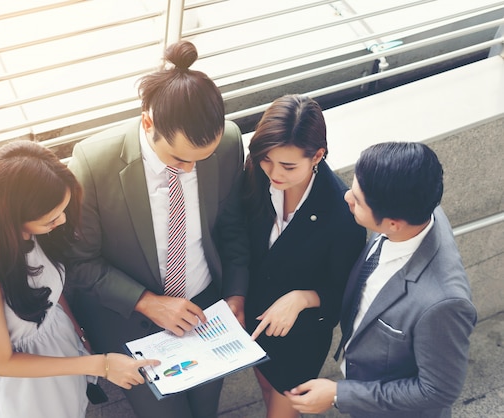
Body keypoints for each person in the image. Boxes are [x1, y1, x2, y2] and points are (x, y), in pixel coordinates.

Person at [65, 40, 249, 418]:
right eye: (180, 159)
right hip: (129, 318)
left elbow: (232, 230)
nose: (189, 170)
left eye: (203, 158)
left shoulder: (229, 142)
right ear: (147, 122)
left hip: (206, 310)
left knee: (205, 409)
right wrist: (149, 302)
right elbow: (79, 264)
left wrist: (236, 296)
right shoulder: (93, 164)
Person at [0, 140, 159, 418]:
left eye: (63, 211)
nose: (60, 222)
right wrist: (101, 365)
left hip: (65, 353)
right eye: (50, 219)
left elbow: (51, 292)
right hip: (30, 386)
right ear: (10, 214)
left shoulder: (28, 232)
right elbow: (2, 362)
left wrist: (78, 333)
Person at [286, 141, 477, 418]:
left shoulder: (442, 305)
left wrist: (339, 395)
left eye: (358, 200)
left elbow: (437, 391)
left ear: (393, 224)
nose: (347, 197)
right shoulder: (416, 209)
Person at [242, 94, 366, 418]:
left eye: (288, 166)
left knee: (283, 407)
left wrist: (302, 298)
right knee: (267, 390)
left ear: (318, 156)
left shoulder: (342, 213)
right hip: (254, 319)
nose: (274, 173)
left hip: (300, 337)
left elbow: (346, 296)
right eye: (267, 159)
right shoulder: (256, 172)